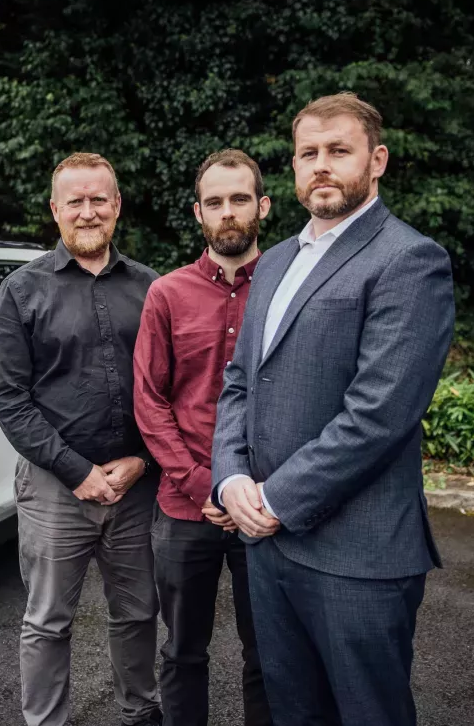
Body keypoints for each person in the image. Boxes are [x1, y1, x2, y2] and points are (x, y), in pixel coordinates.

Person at [211, 92, 455, 726]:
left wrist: (273, 500)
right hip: (269, 551)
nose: (321, 166)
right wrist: (232, 476)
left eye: (337, 151)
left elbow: (379, 415)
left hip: (359, 558)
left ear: (376, 161)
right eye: (308, 154)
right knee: (292, 712)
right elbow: (240, 380)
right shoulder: (276, 263)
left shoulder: (408, 260)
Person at [0, 152, 163, 726]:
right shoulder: (21, 291)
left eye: (99, 200)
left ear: (116, 206)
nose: (87, 213)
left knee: (138, 613)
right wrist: (78, 472)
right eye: (75, 202)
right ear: (55, 210)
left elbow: (167, 389)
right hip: (54, 489)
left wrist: (142, 459)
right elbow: (10, 400)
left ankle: (140, 711)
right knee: (47, 622)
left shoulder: (152, 289)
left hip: (136, 487)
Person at [133, 149, 273, 726]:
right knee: (182, 650)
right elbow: (149, 399)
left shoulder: (290, 285)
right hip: (186, 510)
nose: (228, 212)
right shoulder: (166, 294)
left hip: (267, 505)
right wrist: (203, 487)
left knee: (267, 652)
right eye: (215, 202)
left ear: (262, 205)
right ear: (198, 213)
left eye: (239, 199)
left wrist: (258, 491)